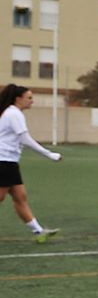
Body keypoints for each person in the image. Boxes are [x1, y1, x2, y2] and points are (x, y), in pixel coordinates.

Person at [0, 84, 61, 242]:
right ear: (18, 99)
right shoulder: (14, 114)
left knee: (20, 198)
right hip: (3, 162)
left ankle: (38, 232)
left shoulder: (13, 113)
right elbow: (25, 139)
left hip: (10, 163)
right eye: (29, 98)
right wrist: (49, 154)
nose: (32, 101)